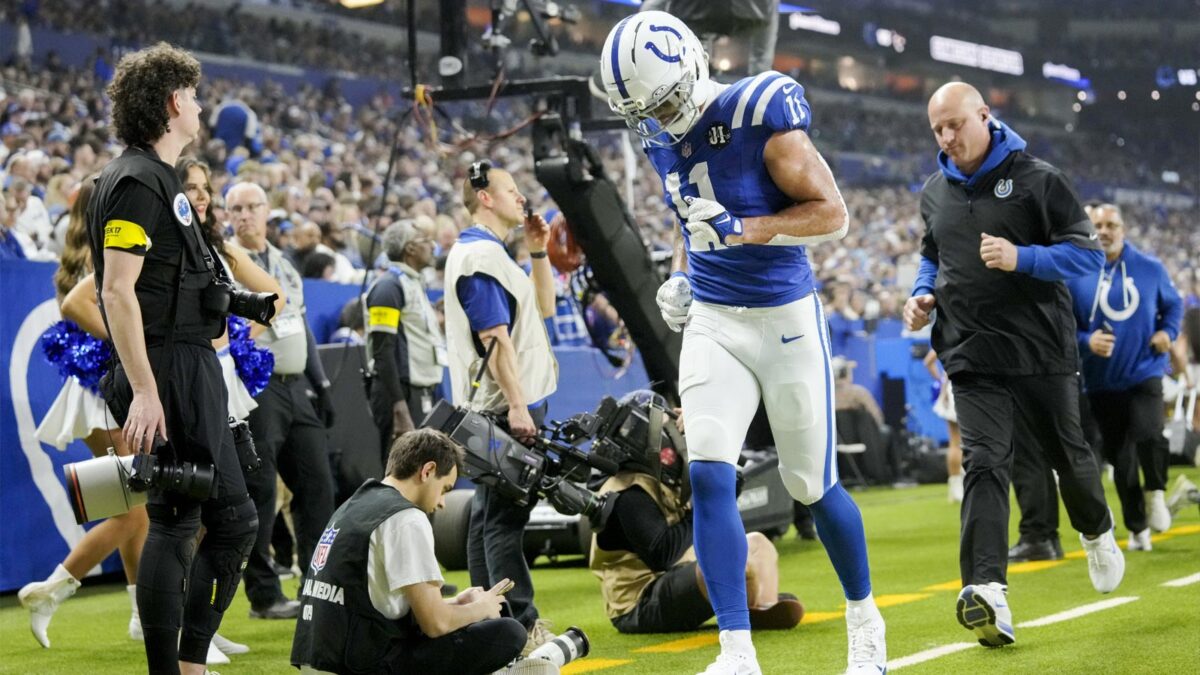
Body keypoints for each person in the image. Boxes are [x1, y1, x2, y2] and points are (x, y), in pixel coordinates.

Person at [600, 11, 886, 673]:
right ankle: (736, 651)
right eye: (645, 111)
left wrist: (743, 229)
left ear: (692, 71)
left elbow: (832, 215)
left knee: (811, 484)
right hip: (713, 319)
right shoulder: (658, 135)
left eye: (663, 102)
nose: (659, 120)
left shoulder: (756, 111)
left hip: (784, 316)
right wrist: (684, 273)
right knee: (707, 473)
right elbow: (696, 221)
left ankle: (865, 620)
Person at [904, 81, 1123, 649]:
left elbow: (1087, 255)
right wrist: (922, 294)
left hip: (1040, 351)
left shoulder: (1040, 180)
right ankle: (987, 591)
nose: (946, 137)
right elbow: (932, 254)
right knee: (983, 463)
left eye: (955, 124)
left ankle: (1097, 532)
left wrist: (1020, 257)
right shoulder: (934, 192)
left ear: (984, 115)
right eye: (937, 129)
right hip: (970, 353)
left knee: (1068, 457)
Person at [84, 43, 258, 674]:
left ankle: (188, 662)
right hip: (167, 368)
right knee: (179, 520)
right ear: (172, 102)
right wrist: (146, 389)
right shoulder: (136, 181)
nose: (202, 106)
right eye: (195, 95)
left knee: (229, 518)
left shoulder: (155, 178)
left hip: (184, 363)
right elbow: (115, 291)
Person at [291, 429, 553, 675]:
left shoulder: (356, 503)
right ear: (428, 471)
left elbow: (378, 605)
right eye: (445, 489)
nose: (442, 503)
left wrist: (456, 603)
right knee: (509, 632)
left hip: (323, 658)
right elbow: (435, 624)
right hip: (357, 663)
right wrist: (481, 608)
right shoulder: (406, 517)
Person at [20, 176, 148, 651]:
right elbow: (82, 309)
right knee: (134, 512)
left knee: (132, 509)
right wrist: (126, 345)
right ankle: (50, 590)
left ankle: (139, 613)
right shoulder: (107, 252)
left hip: (94, 392)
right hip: (107, 391)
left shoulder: (81, 253)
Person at [443, 161, 559, 655]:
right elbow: (495, 340)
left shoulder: (491, 254)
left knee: (486, 520)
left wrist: (538, 251)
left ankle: (485, 622)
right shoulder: (480, 257)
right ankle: (521, 626)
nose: (521, 197)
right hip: (503, 409)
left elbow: (546, 308)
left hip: (498, 408)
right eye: (511, 189)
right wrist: (517, 406)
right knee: (504, 522)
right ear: (485, 198)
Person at [590, 393, 804, 635]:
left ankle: (762, 607)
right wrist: (708, 503)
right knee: (726, 562)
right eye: (667, 427)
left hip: (678, 577)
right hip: (639, 603)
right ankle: (752, 604)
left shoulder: (653, 480)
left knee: (759, 545)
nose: (675, 434)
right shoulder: (628, 493)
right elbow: (663, 554)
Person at [228, 181, 337, 620]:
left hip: (296, 386)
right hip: (257, 386)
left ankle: (317, 582)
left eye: (251, 206)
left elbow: (301, 325)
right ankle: (264, 594)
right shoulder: (226, 263)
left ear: (266, 211)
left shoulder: (284, 263)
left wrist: (321, 383)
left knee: (317, 485)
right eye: (235, 208)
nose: (244, 215)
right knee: (260, 491)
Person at [1065, 203, 1182, 549]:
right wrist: (1086, 341)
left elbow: (1174, 306)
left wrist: (1168, 333)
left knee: (1150, 433)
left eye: (1111, 225)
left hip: (1145, 370)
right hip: (1100, 381)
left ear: (1123, 229)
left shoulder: (1150, 267)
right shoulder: (1075, 272)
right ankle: (1137, 527)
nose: (1104, 231)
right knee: (1121, 458)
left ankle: (1156, 492)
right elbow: (1063, 326)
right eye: (1098, 225)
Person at [365, 219, 447, 449]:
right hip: (400, 394)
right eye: (426, 240)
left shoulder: (414, 283)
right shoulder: (388, 287)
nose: (433, 246)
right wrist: (399, 405)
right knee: (401, 466)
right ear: (410, 248)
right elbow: (382, 351)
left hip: (420, 391)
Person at [923, 349, 964, 503]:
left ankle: (956, 486)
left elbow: (928, 362)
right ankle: (958, 487)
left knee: (956, 441)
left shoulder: (947, 336)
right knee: (960, 441)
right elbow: (929, 361)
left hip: (951, 388)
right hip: (963, 387)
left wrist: (941, 381)